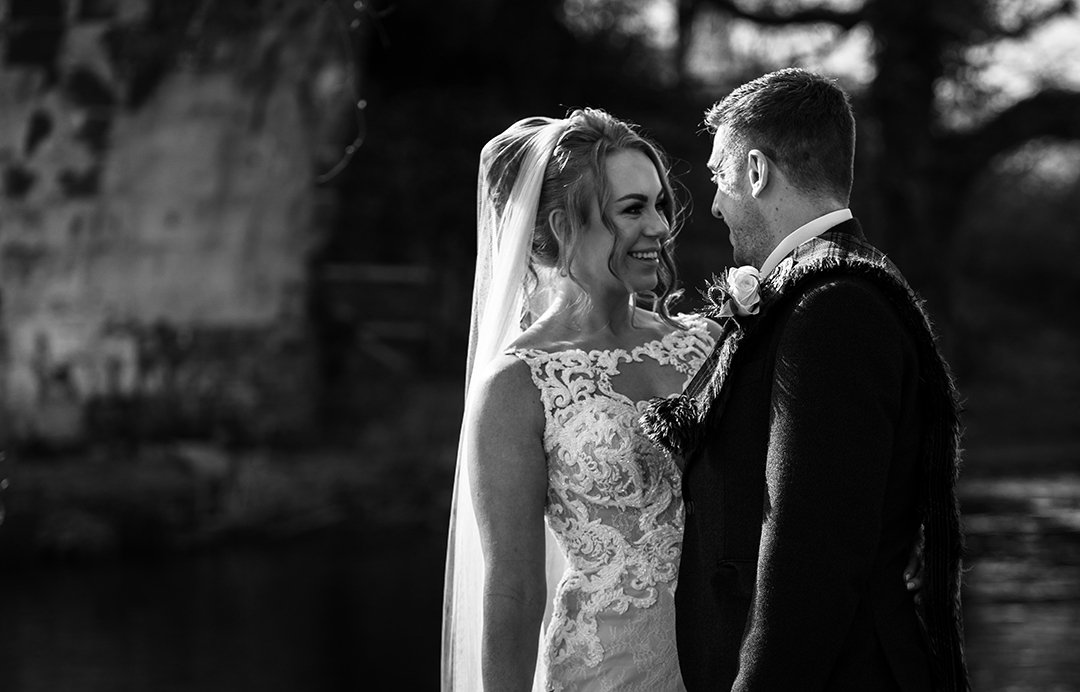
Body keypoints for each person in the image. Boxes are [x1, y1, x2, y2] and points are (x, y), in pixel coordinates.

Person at [642, 68, 970, 691]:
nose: (712, 203)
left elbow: (810, 555)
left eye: (719, 175)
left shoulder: (832, 310)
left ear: (758, 172)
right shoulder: (823, 291)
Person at [441, 108, 719, 691]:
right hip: (602, 673)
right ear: (565, 227)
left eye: (659, 204)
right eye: (631, 210)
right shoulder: (518, 385)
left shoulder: (706, 346)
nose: (659, 228)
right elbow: (513, 588)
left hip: (727, 663)